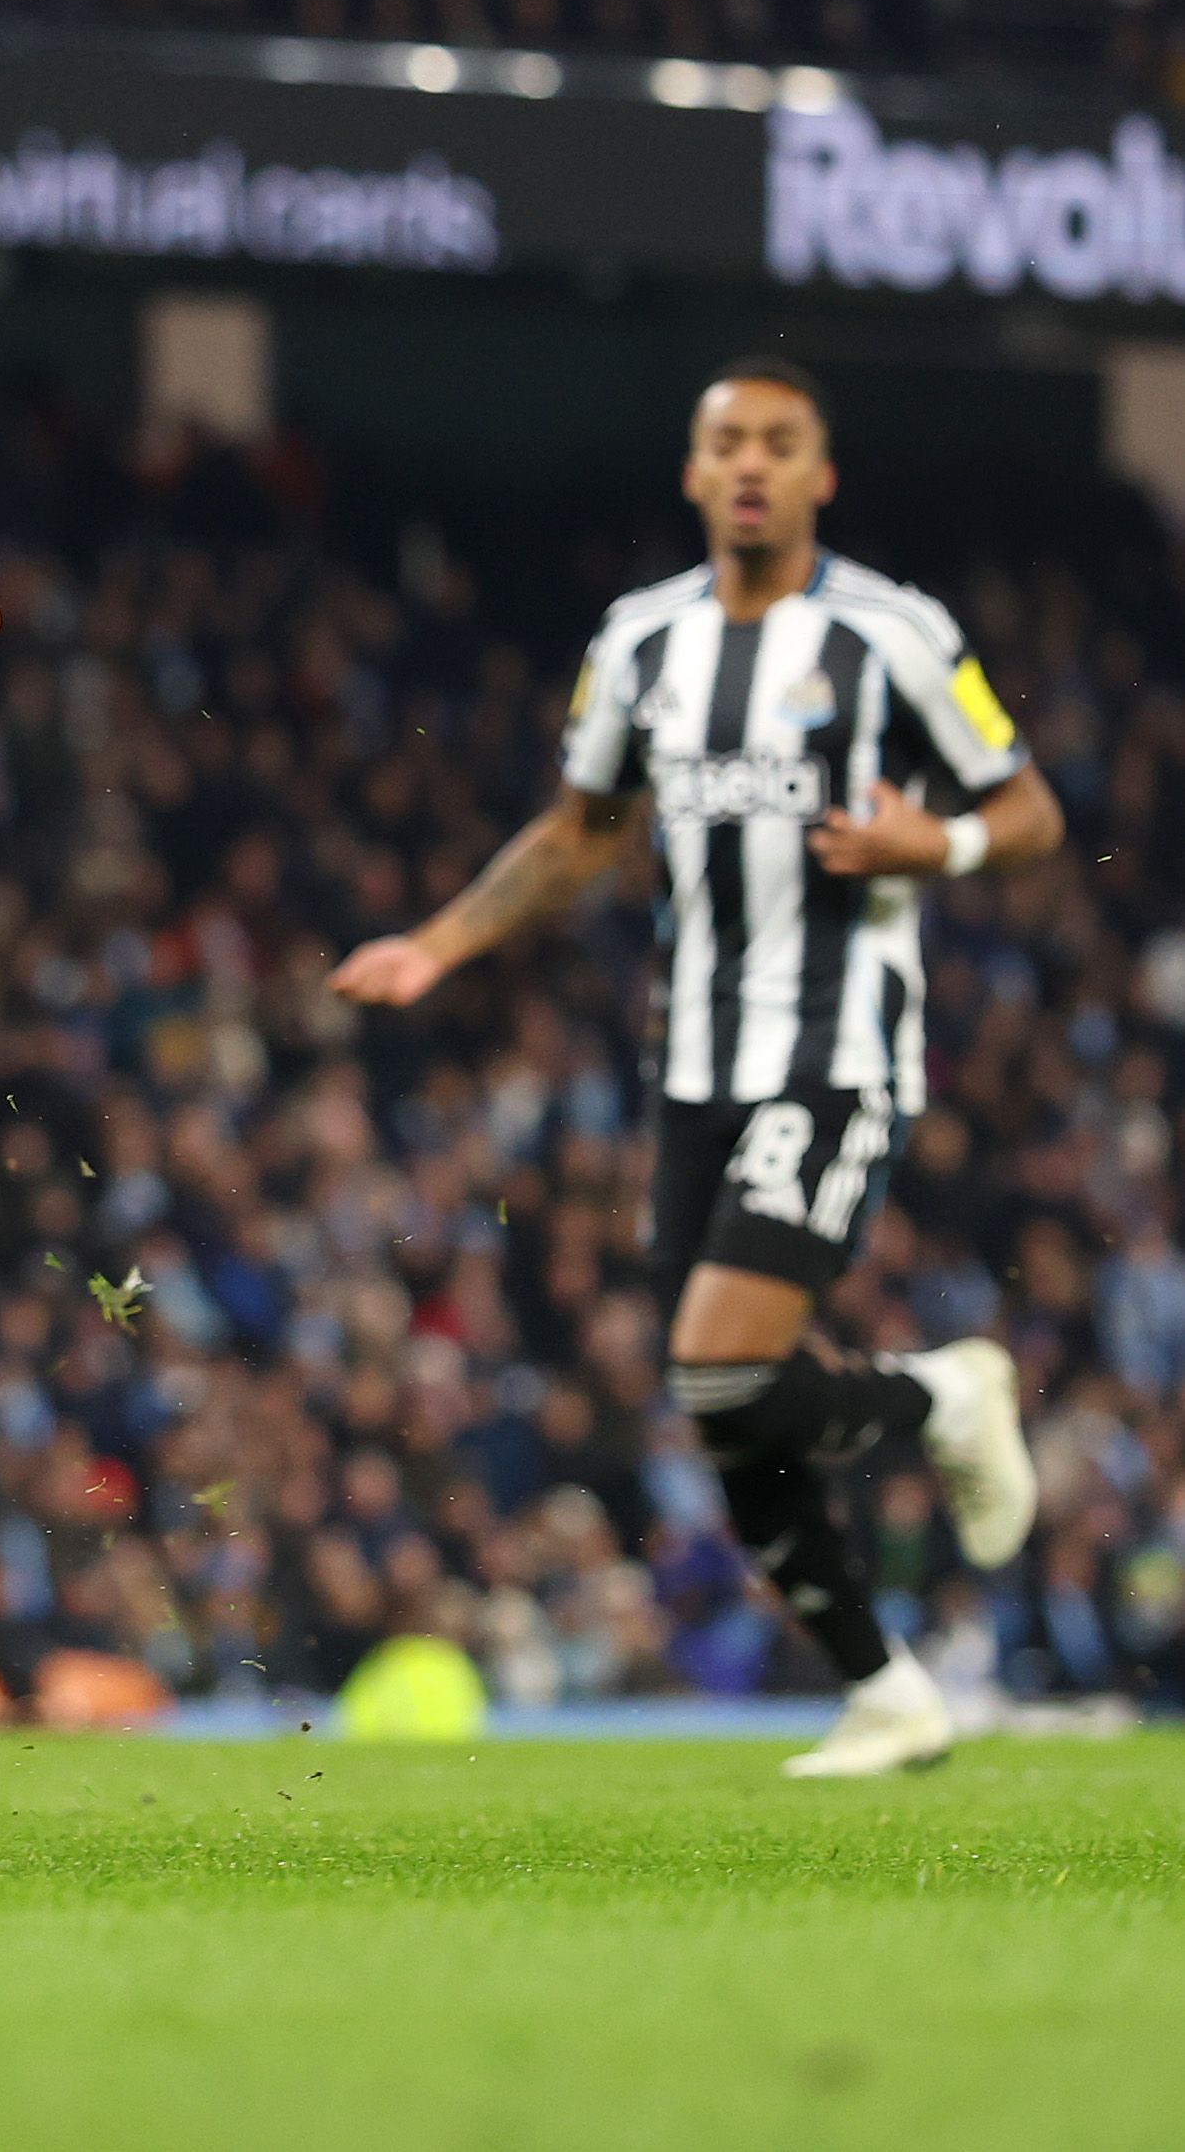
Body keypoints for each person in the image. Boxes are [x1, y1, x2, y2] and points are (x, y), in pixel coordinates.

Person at [332, 357, 1056, 1777]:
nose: (749, 465)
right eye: (727, 442)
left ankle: (947, 1394)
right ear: (692, 469)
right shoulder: (640, 640)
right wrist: (435, 942)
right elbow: (578, 829)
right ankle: (886, 1690)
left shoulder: (894, 632)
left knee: (723, 1367)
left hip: (835, 1047)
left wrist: (941, 842)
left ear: (817, 475)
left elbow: (1024, 805)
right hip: (692, 1066)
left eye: (778, 443)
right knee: (718, 1402)